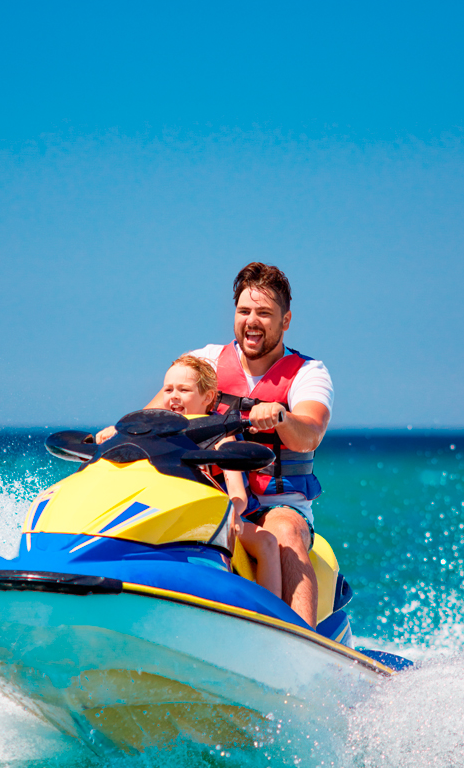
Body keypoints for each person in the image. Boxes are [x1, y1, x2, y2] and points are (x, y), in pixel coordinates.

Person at [96, 263, 332, 627]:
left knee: (282, 532)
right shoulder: (204, 362)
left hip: (276, 503)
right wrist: (116, 432)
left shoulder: (307, 373)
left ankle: (303, 643)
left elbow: (311, 431)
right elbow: (154, 415)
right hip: (209, 493)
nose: (252, 321)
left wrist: (282, 417)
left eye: (264, 313)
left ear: (285, 321)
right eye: (244, 311)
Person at [155, 354, 282, 598]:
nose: (174, 396)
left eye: (184, 389)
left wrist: (231, 515)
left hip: (221, 516)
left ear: (208, 397)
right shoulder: (159, 436)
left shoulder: (220, 437)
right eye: (168, 389)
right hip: (176, 514)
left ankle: (272, 614)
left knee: (267, 542)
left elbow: (237, 492)